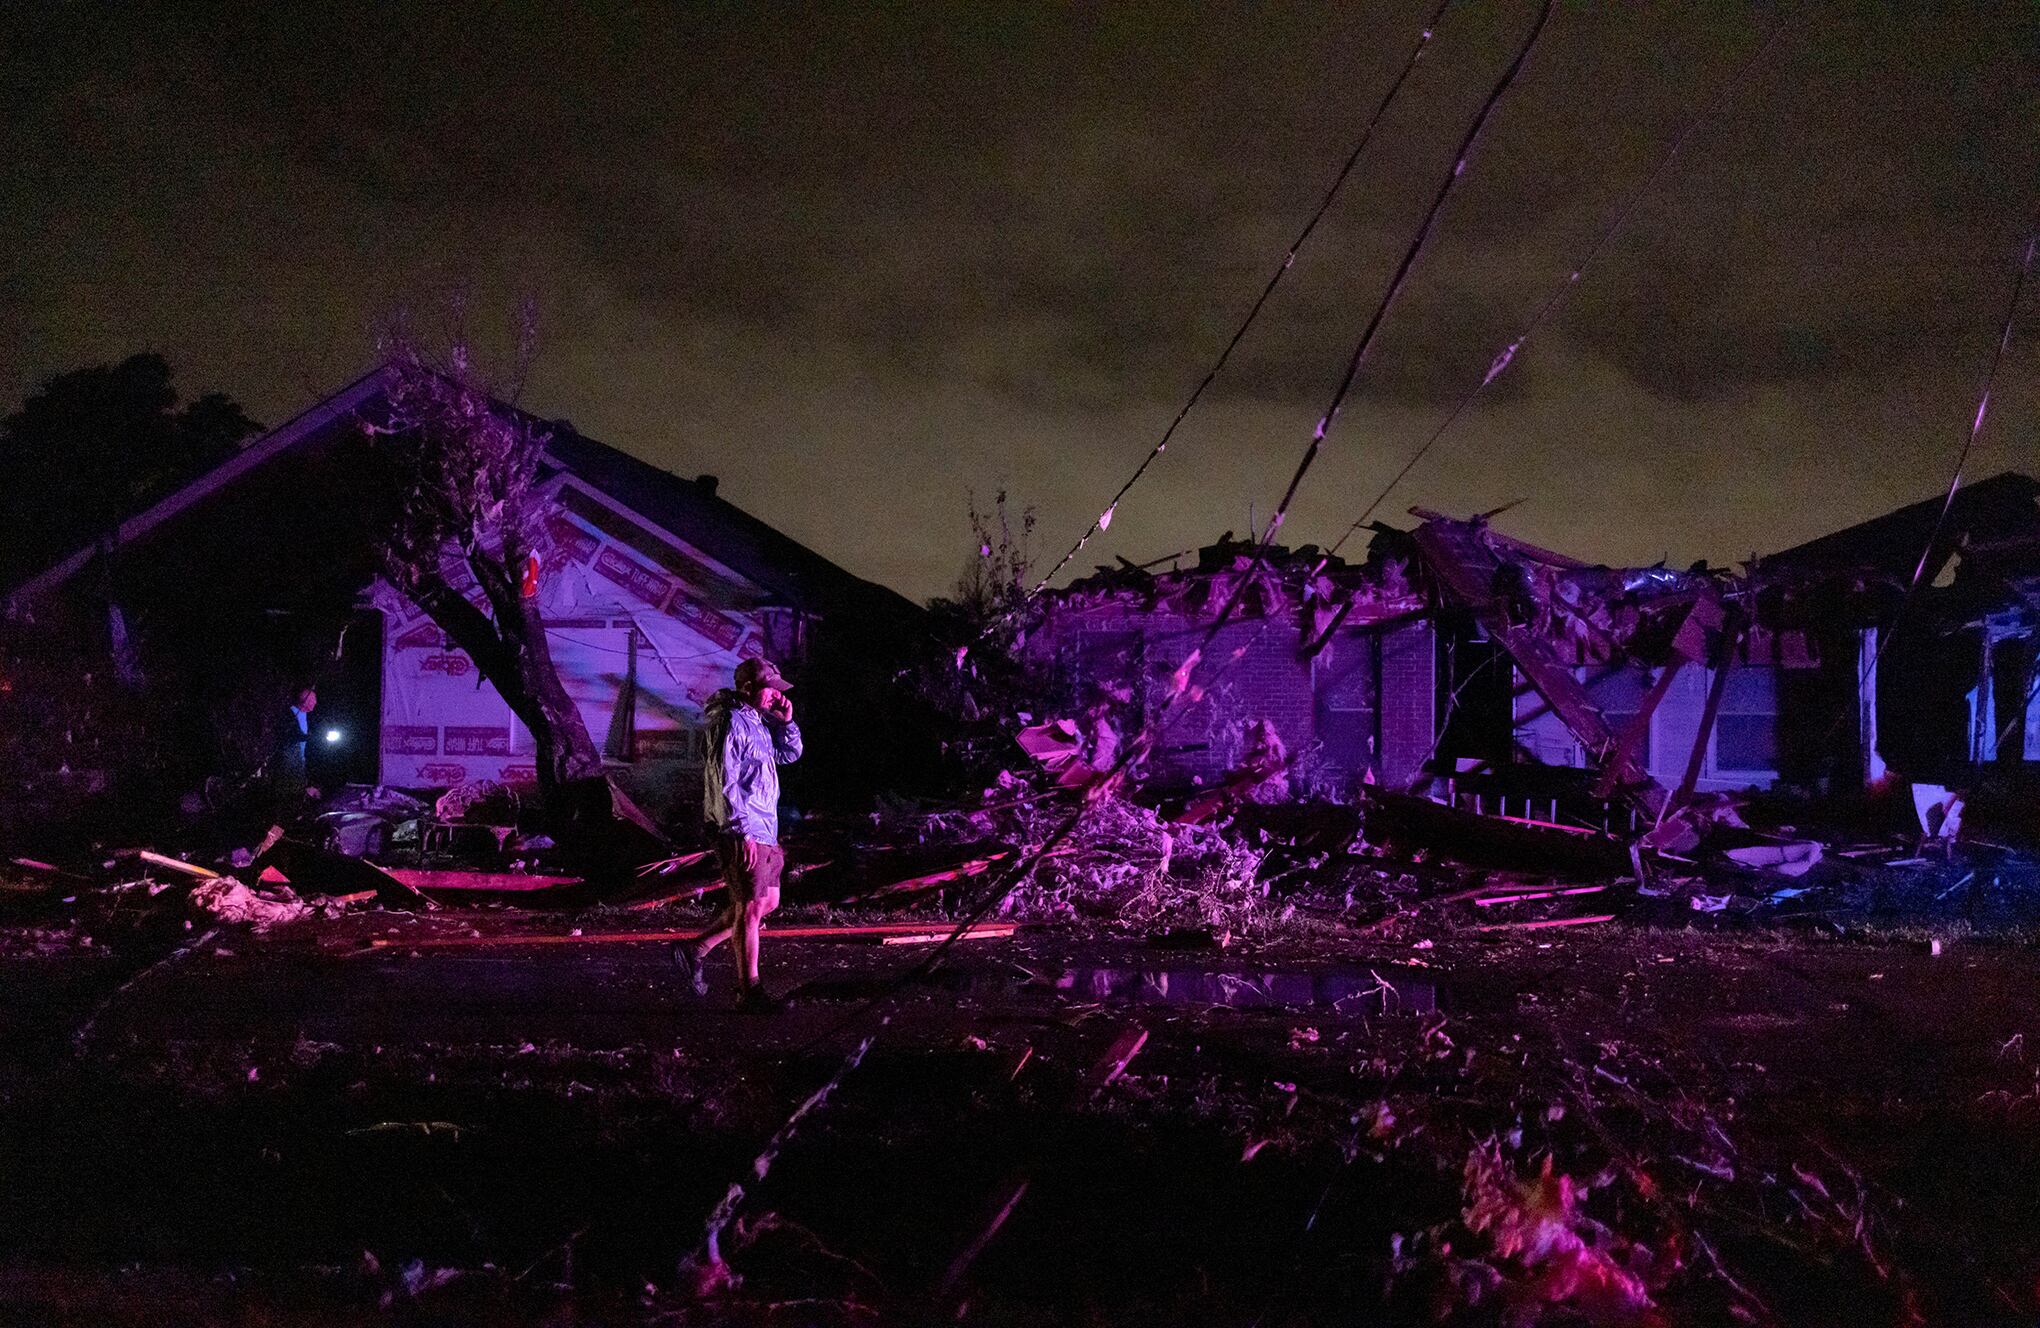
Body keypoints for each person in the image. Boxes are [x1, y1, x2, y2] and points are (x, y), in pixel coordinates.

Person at [673, 657, 803, 1011]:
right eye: (770, 690)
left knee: (768, 902)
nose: (776, 696)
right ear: (747, 688)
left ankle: (695, 950)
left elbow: (789, 754)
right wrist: (739, 829)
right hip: (742, 827)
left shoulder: (756, 721)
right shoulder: (729, 721)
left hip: (765, 827)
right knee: (750, 908)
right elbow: (723, 777)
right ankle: (750, 992)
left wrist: (786, 722)